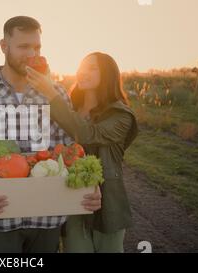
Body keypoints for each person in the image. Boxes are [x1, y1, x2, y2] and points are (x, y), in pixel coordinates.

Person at [0, 16, 102, 253]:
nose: (32, 54)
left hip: (47, 216)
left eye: (37, 47)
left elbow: (69, 148)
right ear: (4, 47)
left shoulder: (54, 92)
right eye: (23, 47)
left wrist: (88, 182)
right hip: (2, 215)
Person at [26, 52, 138, 253]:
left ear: (108, 74)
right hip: (72, 196)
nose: (84, 72)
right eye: (82, 67)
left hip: (106, 203)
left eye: (92, 68)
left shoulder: (121, 115)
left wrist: (51, 93)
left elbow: (87, 134)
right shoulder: (70, 107)